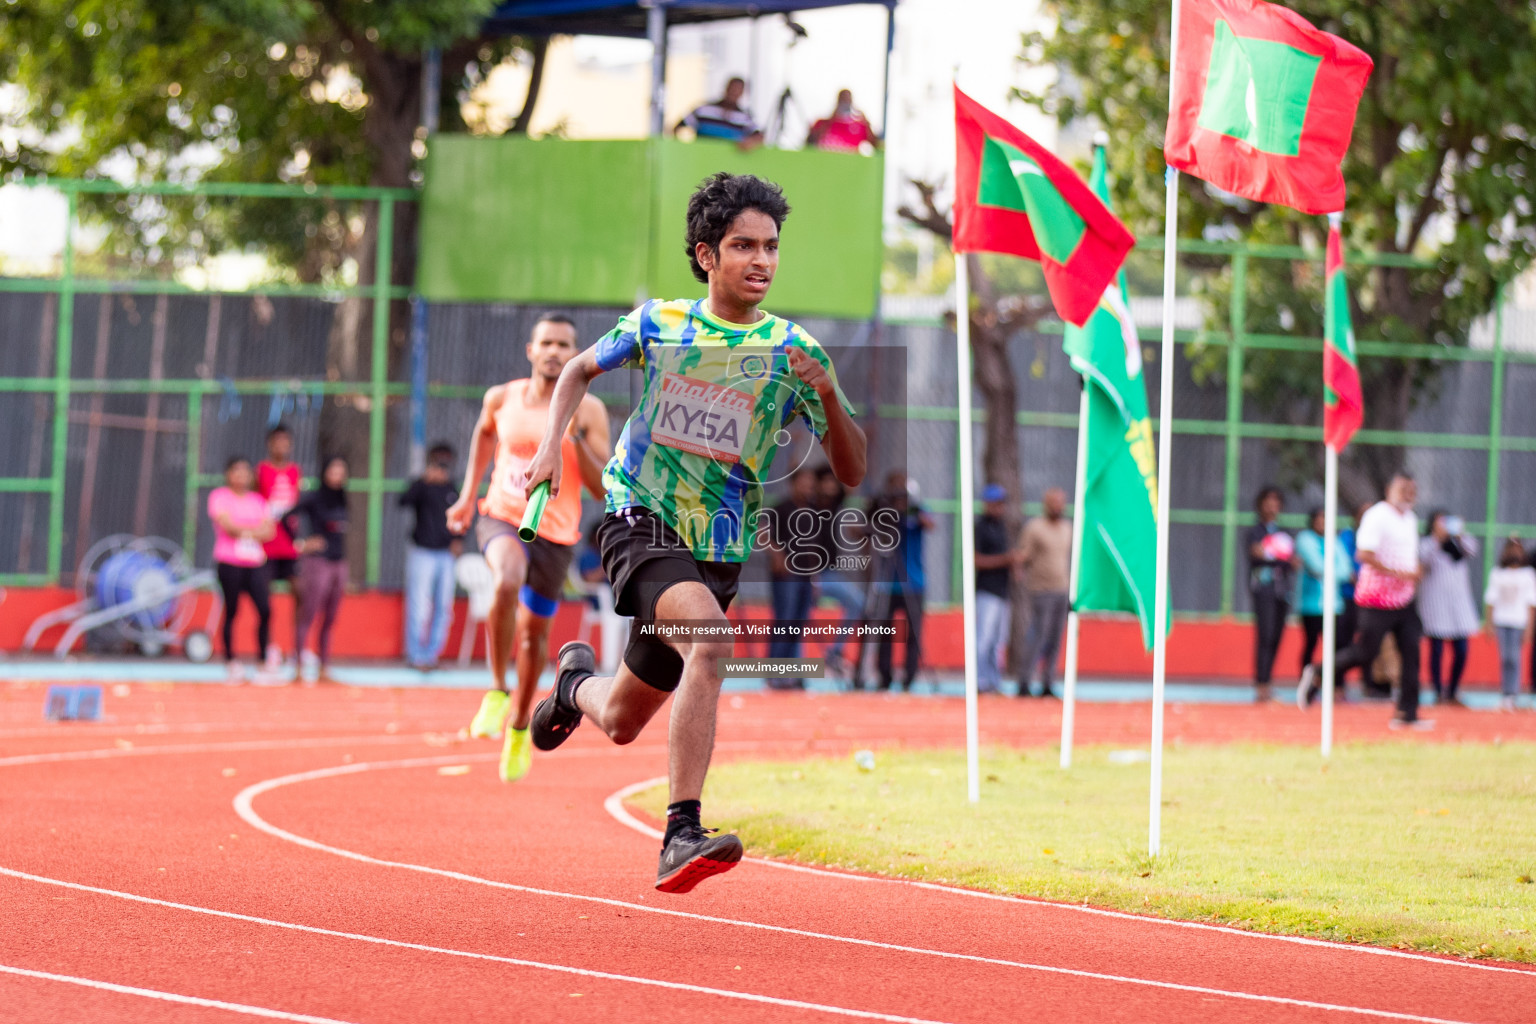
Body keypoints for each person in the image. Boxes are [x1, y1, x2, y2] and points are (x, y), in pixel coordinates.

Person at [520, 172, 865, 893]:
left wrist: (827, 393)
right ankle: (681, 831)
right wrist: (552, 447)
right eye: (743, 245)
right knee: (711, 642)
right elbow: (577, 371)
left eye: (771, 246)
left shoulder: (794, 351)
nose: (761, 260)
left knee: (618, 719)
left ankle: (573, 684)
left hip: (718, 550)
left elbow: (853, 470)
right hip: (638, 517)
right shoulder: (661, 323)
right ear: (707, 255)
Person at [445, 314, 610, 784]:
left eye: (566, 344)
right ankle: (496, 690)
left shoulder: (590, 410)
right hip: (502, 516)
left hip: (556, 535)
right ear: (531, 350)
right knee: (505, 578)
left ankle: (519, 724)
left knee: (536, 636)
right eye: (548, 343)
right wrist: (464, 496)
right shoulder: (502, 397)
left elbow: (600, 490)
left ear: (576, 353)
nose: (556, 351)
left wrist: (574, 437)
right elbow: (481, 436)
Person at [1332, 472, 1431, 729]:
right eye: (1404, 488)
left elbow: (1409, 555)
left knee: (1411, 653)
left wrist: (1415, 570)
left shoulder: (1410, 519)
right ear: (1389, 489)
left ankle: (1407, 713)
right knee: (1366, 652)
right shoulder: (1377, 515)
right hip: (1376, 598)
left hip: (1405, 599)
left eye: (1413, 489)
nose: (1409, 493)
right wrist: (1396, 573)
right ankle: (1320, 673)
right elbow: (1364, 554)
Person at [208, 456, 274, 683]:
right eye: (236, 471)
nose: (241, 476)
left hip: (255, 563)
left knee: (265, 609)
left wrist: (245, 531)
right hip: (229, 562)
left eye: (246, 471)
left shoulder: (258, 500)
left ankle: (264, 660)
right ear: (228, 474)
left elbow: (270, 531)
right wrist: (254, 530)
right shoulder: (220, 497)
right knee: (232, 610)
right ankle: (231, 661)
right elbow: (228, 527)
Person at [399, 443, 461, 671]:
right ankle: (416, 656)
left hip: (445, 555)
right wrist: (423, 481)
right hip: (422, 552)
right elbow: (402, 501)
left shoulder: (452, 488)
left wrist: (458, 540)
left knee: (444, 607)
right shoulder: (422, 485)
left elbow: (462, 518)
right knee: (419, 606)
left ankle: (432, 655)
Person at [289, 456, 350, 684]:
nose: (337, 474)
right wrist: (302, 544)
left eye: (341, 470)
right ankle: (298, 664)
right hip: (318, 563)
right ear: (325, 472)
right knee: (309, 613)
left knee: (331, 617)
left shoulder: (343, 498)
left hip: (339, 562)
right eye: (333, 469)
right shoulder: (314, 498)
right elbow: (286, 517)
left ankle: (325, 665)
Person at [867, 472, 930, 693]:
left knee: (913, 633)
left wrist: (910, 510)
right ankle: (885, 677)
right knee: (885, 633)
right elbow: (865, 529)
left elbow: (929, 524)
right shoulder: (885, 514)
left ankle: (909, 678)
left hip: (914, 583)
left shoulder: (917, 512)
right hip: (888, 583)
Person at [1294, 507, 1354, 708]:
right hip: (1311, 605)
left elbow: (1346, 569)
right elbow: (1317, 567)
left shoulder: (1335, 541)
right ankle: (1306, 683)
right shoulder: (1305, 539)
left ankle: (1337, 687)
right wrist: (1335, 572)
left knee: (1339, 648)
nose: (1323, 523)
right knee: (1311, 645)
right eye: (1320, 518)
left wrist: (1333, 572)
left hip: (1334, 604)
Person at [812, 465, 867, 686]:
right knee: (794, 614)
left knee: (858, 602)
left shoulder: (835, 504)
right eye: (825, 482)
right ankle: (788, 669)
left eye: (832, 482)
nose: (829, 486)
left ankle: (835, 652)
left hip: (830, 574)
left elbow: (854, 482)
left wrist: (861, 452)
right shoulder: (809, 505)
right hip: (808, 574)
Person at [766, 468, 820, 690]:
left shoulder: (814, 511)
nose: (808, 487)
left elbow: (815, 547)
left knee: (798, 624)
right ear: (793, 484)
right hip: (786, 575)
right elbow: (763, 532)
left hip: (806, 576)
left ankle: (792, 673)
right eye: (804, 482)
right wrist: (777, 555)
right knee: (784, 621)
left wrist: (816, 578)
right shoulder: (781, 507)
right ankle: (774, 674)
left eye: (811, 483)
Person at [1418, 511, 1479, 705]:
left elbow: (1472, 549)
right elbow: (1423, 558)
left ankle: (1452, 690)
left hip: (1458, 607)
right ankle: (1438, 691)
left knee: (1461, 650)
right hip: (1436, 606)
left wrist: (1460, 534)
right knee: (1436, 651)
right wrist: (1438, 539)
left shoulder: (1459, 543)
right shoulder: (1427, 543)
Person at [1016, 487, 1071, 698]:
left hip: (1062, 589)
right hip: (1041, 589)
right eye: (1054, 502)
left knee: (1056, 638)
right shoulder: (1035, 528)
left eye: (1061, 502)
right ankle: (1025, 680)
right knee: (1038, 635)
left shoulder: (1067, 528)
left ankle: (1048, 682)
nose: (1058, 507)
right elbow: (1024, 555)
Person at [256, 423, 301, 670]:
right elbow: (254, 503)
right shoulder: (261, 471)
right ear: (269, 444)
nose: (281, 445)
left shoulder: (295, 472)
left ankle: (296, 649)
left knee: (300, 593)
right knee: (265, 601)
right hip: (267, 546)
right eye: (277, 441)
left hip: (290, 546)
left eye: (286, 441)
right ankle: (269, 648)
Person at [1246, 485, 1294, 702]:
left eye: (1276, 502)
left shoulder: (1282, 533)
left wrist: (1273, 555)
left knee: (1276, 636)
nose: (1272, 506)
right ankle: (1261, 684)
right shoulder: (1255, 531)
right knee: (1265, 635)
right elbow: (1256, 554)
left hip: (1281, 591)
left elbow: (1290, 562)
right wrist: (1279, 557)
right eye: (1268, 501)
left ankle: (1268, 682)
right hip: (1263, 590)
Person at [973, 483, 1016, 695]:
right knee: (984, 638)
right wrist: (1005, 560)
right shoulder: (980, 527)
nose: (999, 507)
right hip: (987, 590)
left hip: (1002, 591)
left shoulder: (1001, 527)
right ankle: (979, 681)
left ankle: (993, 681)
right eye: (995, 503)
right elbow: (976, 559)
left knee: (998, 641)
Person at [1484, 538, 1536, 712]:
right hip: (1502, 620)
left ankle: (1513, 694)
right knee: (1505, 658)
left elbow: (1531, 603)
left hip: (1518, 621)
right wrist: (1489, 623)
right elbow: (1491, 600)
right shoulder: (1498, 573)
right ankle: (1506, 694)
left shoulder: (1527, 574)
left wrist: (1530, 627)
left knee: (1514, 658)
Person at [675, 77, 763, 148]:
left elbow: (759, 136)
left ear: (742, 93)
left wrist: (750, 142)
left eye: (738, 90)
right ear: (726, 88)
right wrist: (683, 148)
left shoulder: (744, 117)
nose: (734, 93)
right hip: (701, 158)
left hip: (729, 163)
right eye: (732, 89)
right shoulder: (704, 110)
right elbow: (677, 128)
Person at [806, 89, 880, 153]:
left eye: (847, 101)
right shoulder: (822, 124)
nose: (844, 104)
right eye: (842, 100)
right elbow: (809, 144)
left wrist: (867, 123)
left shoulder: (859, 127)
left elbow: (875, 146)